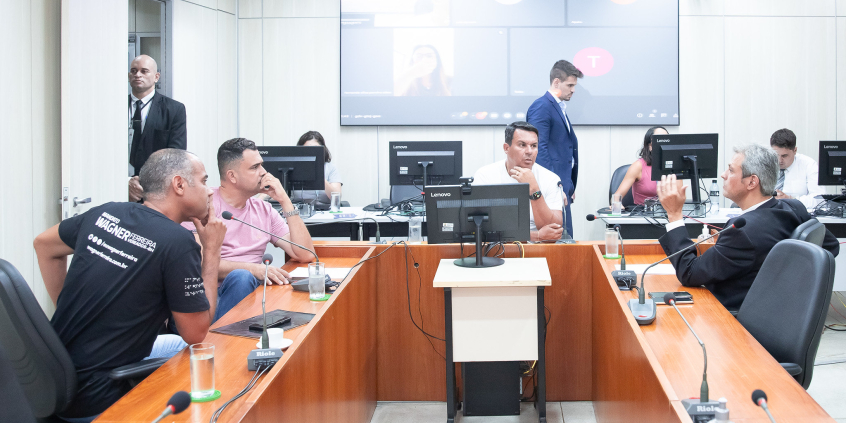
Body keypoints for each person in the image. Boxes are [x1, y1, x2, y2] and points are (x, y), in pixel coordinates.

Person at [33, 149, 226, 422]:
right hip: (97, 397)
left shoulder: (106, 212)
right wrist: (212, 251)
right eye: (205, 181)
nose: (210, 192)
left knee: (171, 345)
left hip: (53, 374)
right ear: (179, 184)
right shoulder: (177, 243)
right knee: (205, 356)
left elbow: (44, 245)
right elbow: (196, 334)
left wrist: (67, 305)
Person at [656, 144, 839, 312]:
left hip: (733, 322)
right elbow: (831, 246)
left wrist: (674, 214)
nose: (723, 175)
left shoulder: (742, 232)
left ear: (752, 182)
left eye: (731, 170)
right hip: (775, 313)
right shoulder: (793, 207)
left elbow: (690, 272)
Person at [183, 138, 315, 296]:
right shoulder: (204, 204)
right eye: (255, 167)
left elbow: (305, 254)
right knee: (242, 277)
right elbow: (201, 263)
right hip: (212, 296)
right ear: (232, 176)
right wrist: (254, 269)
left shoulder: (264, 209)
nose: (264, 172)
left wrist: (285, 201)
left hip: (253, 293)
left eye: (261, 165)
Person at [473, 121, 564, 242]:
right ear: (506, 148)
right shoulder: (485, 176)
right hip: (497, 248)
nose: (529, 151)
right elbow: (479, 229)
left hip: (539, 250)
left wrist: (534, 189)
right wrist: (535, 236)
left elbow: (554, 231)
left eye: (534, 146)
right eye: (522, 145)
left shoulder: (551, 178)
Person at [527, 60, 583, 237]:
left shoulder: (559, 107)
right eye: (570, 85)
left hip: (562, 185)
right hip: (550, 188)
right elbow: (538, 148)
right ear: (556, 82)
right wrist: (556, 186)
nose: (573, 90)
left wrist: (568, 186)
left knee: (564, 239)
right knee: (559, 240)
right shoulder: (542, 106)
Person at [128, 54, 187, 202]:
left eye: (144, 71)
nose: (138, 75)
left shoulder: (174, 109)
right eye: (134, 71)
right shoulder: (114, 107)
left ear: (156, 76)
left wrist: (144, 183)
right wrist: (126, 181)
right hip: (117, 188)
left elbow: (175, 155)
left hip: (156, 193)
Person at [770, 128, 825, 207]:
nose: (779, 160)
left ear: (795, 150)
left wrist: (790, 200)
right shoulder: (764, 163)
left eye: (784, 156)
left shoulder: (808, 164)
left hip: (796, 213)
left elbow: (820, 200)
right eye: (775, 154)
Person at [612, 126, 666, 205]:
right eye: (660, 140)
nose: (664, 143)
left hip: (668, 213)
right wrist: (616, 207)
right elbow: (617, 196)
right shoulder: (638, 166)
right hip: (643, 214)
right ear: (650, 146)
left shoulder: (674, 165)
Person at [290, 131, 343, 205]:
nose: (311, 152)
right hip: (298, 211)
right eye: (307, 149)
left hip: (325, 210)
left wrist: (318, 173)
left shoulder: (330, 168)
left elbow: (336, 198)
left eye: (315, 149)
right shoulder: (291, 168)